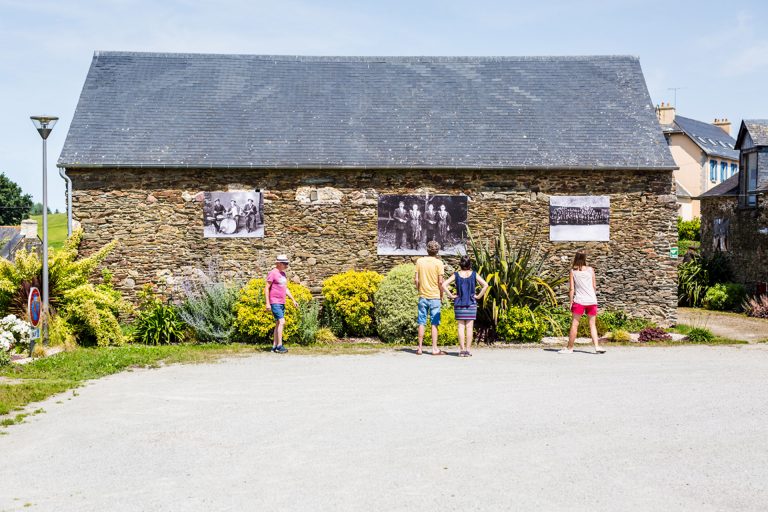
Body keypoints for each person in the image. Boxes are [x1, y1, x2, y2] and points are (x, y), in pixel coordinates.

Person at [559, 251, 606, 354]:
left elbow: (572, 289)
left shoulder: (573, 271)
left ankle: (570, 348)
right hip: (592, 300)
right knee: (592, 325)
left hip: (579, 300)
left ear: (575, 258)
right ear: (585, 258)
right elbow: (594, 286)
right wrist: (592, 296)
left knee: (575, 324)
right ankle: (597, 347)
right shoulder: (590, 270)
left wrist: (571, 301)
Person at [442, 255, 489, 357]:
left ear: (461, 264)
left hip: (459, 303)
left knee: (460, 327)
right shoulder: (474, 274)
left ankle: (461, 350)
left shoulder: (456, 275)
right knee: (469, 327)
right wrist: (478, 296)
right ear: (469, 264)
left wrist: (451, 295)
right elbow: (485, 285)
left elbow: (444, 284)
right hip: (471, 303)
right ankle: (468, 350)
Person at [414, 240, 445, 355]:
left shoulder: (420, 261)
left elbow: (416, 280)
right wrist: (441, 295)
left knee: (421, 322)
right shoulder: (439, 263)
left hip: (423, 296)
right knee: (434, 323)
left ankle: (420, 348)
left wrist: (419, 289)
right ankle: (434, 348)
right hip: (435, 296)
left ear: (427, 250)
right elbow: (440, 282)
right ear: (437, 251)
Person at [265, 255, 299, 353]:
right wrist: (268, 303)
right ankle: (280, 346)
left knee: (278, 323)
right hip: (274, 301)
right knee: (282, 322)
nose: (287, 265)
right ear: (279, 263)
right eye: (285, 264)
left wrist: (293, 300)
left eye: (287, 263)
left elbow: (285, 288)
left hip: (282, 302)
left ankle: (274, 346)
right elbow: (266, 288)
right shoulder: (272, 273)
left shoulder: (283, 274)